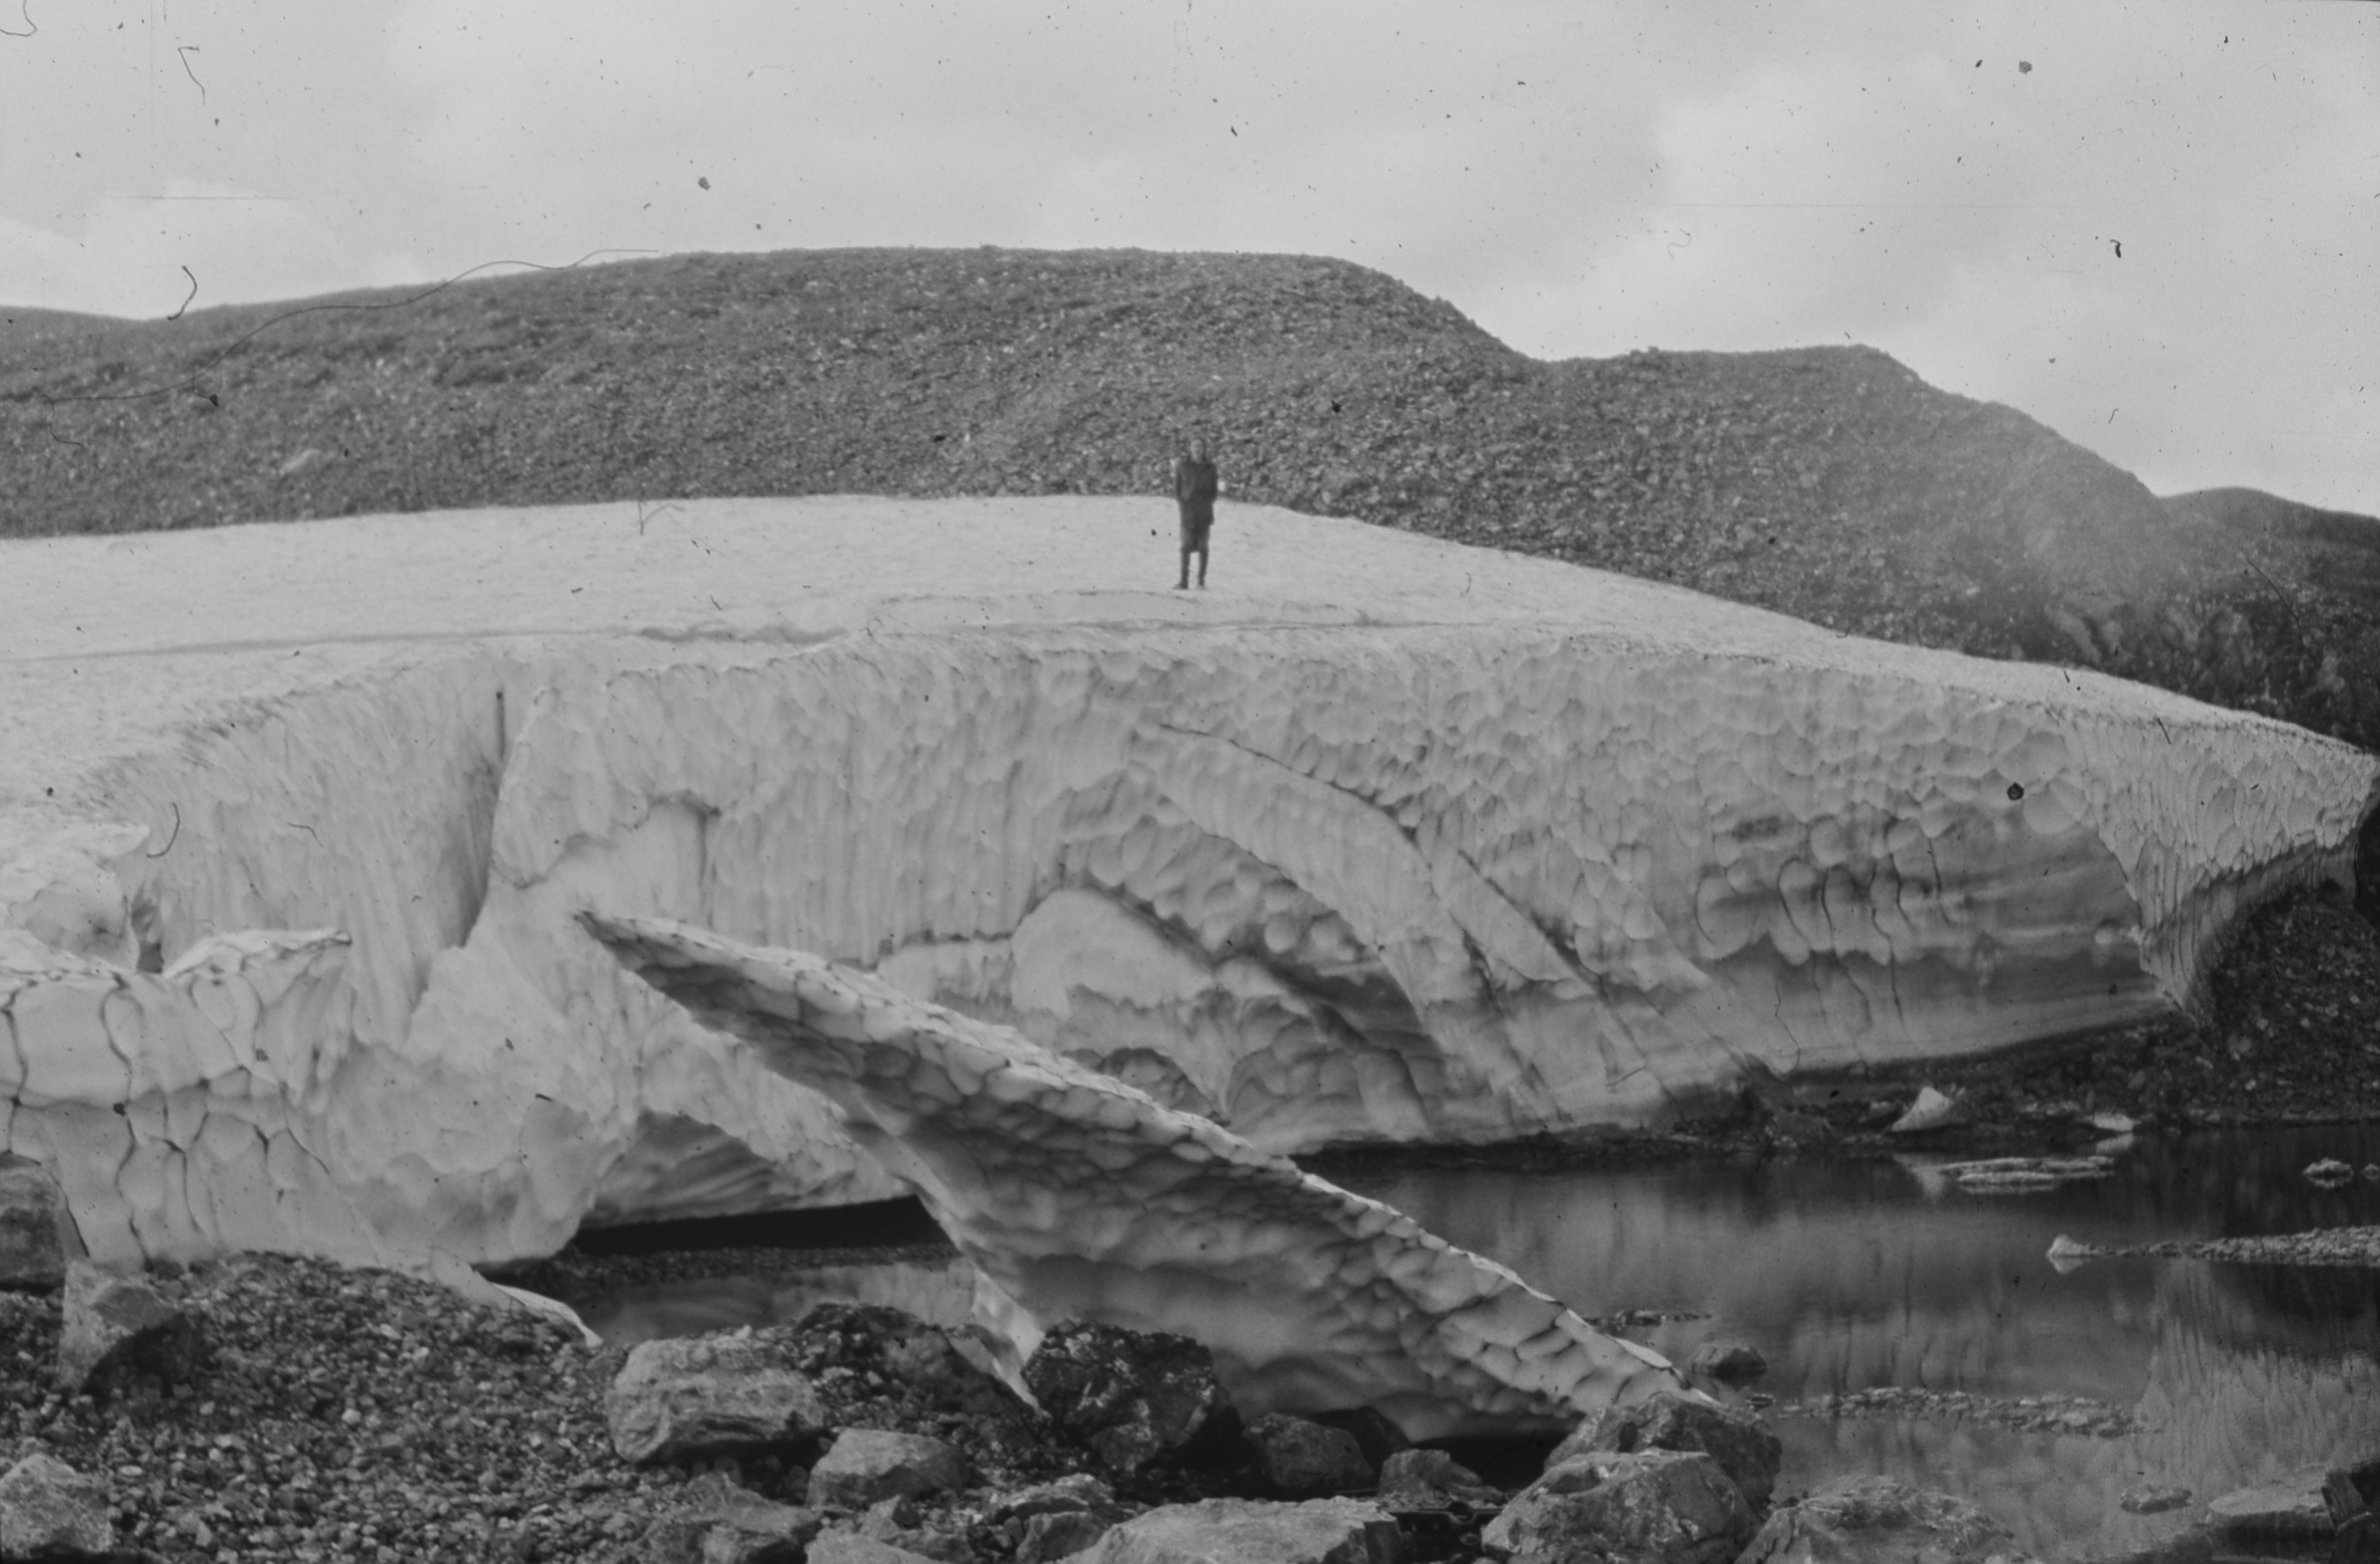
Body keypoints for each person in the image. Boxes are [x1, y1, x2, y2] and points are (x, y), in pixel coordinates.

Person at [1172, 438, 1219, 590]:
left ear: (1204, 449)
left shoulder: (1211, 468)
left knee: (1203, 547)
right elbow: (1177, 489)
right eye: (1194, 446)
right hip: (1188, 512)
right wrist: (1184, 503)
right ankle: (1184, 581)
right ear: (1190, 448)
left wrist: (1206, 503)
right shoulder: (1182, 466)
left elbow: (1214, 491)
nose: (1197, 449)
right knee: (1186, 546)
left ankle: (1201, 581)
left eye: (1200, 446)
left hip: (1204, 512)